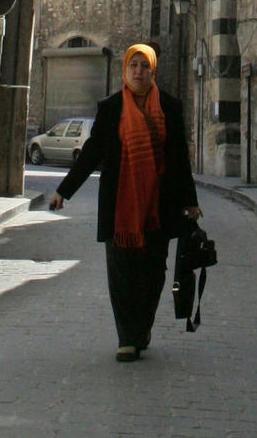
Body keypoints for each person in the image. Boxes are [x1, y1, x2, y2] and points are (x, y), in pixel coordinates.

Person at [49, 42, 201, 362]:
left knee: (153, 274)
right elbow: (92, 153)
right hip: (120, 206)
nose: (138, 72)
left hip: (158, 207)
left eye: (144, 66)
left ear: (152, 70)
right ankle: (127, 338)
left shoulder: (170, 107)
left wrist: (190, 201)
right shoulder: (112, 107)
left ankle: (142, 327)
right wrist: (64, 190)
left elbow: (178, 158)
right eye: (133, 66)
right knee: (121, 274)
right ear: (125, 70)